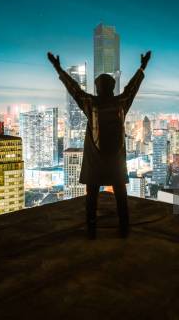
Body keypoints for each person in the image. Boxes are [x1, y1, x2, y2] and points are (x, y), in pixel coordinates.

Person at [47, 50, 151, 239]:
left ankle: (91, 228)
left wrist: (58, 68)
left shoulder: (91, 104)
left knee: (91, 195)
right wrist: (142, 67)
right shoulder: (121, 103)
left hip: (95, 160)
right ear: (112, 88)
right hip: (116, 160)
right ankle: (124, 227)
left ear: (97, 88)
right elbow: (132, 88)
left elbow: (74, 89)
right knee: (121, 194)